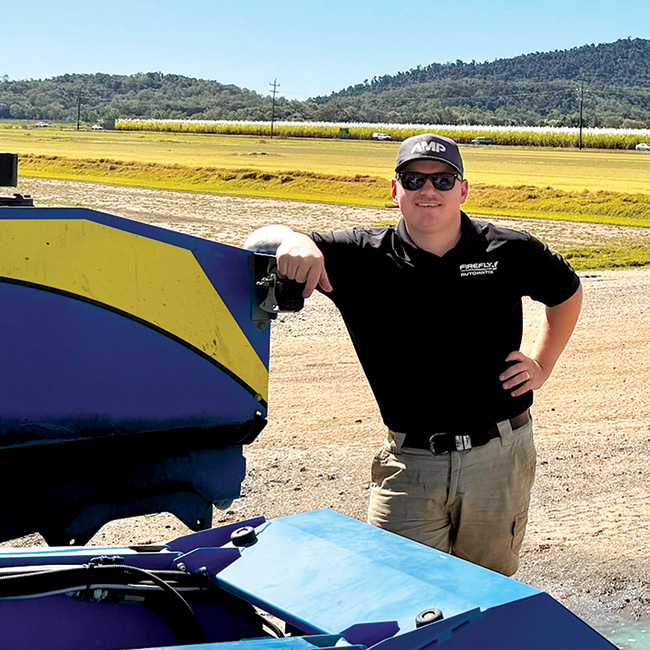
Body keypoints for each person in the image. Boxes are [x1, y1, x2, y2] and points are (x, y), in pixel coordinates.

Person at [245, 133, 582, 576]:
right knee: (396, 586)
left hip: (499, 455)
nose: (428, 191)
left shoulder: (508, 249)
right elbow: (260, 241)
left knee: (489, 589)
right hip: (410, 462)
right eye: (414, 179)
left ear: (463, 189)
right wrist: (294, 239)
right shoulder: (360, 256)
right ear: (395, 188)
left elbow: (567, 292)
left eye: (443, 180)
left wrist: (543, 363)